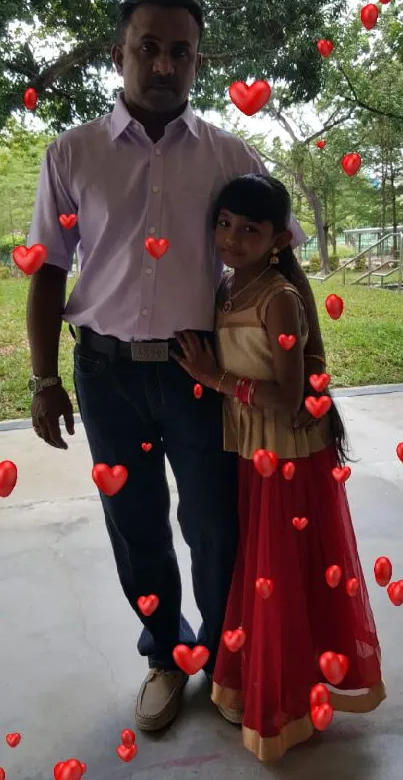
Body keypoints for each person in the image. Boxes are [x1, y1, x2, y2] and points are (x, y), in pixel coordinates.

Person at [26, 0, 327, 733]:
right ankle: (167, 654)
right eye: (148, 48)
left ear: (198, 59)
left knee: (215, 522)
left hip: (201, 373)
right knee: (134, 522)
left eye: (180, 51)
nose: (164, 64)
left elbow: (277, 258)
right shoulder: (74, 153)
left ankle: (225, 661)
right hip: (106, 373)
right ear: (118, 53)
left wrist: (303, 364)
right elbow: (48, 270)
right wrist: (42, 378)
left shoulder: (228, 154)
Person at [170, 173, 386, 762]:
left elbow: (289, 398)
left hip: (288, 454)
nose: (231, 238)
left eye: (249, 229)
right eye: (224, 224)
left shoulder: (278, 298)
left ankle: (285, 704)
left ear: (277, 240)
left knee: (280, 577)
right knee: (264, 570)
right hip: (253, 449)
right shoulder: (228, 290)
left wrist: (212, 377)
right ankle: (272, 686)